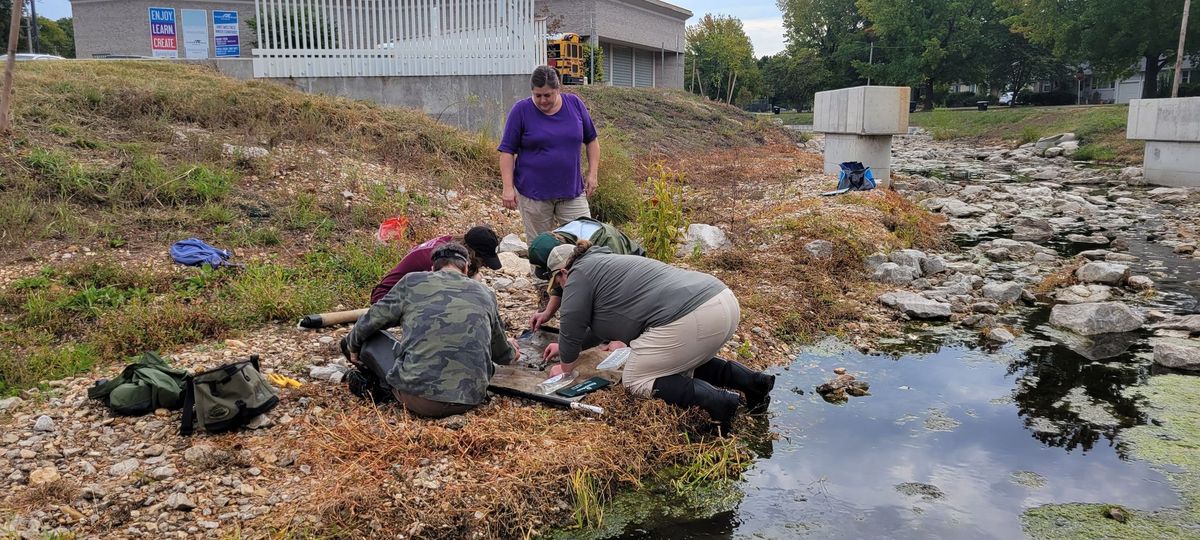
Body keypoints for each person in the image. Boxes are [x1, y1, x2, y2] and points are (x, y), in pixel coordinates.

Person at [540, 242, 775, 434]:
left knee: (636, 378)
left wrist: (565, 369)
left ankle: (721, 403)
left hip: (692, 315)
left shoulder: (578, 275)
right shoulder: (603, 263)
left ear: (562, 272)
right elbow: (594, 330)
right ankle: (753, 383)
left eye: (558, 284)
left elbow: (571, 321)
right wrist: (564, 346)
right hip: (721, 300)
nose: (561, 289)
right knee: (673, 358)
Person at [343, 243, 518, 418]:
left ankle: (381, 387)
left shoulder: (412, 282)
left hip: (417, 399)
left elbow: (370, 320)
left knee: (362, 338)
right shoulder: (486, 293)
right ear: (465, 268)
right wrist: (512, 350)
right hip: (470, 399)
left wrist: (352, 346)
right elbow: (502, 355)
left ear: (433, 268)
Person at [498, 65, 600, 241]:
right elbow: (507, 151)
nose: (543, 100)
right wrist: (508, 188)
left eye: (547, 95)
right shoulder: (521, 110)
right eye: (538, 95)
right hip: (534, 195)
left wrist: (593, 174)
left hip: (572, 192)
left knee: (585, 243)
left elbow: (592, 140)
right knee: (540, 248)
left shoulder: (574, 104)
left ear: (557, 89)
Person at [526, 217, 645, 330]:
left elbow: (618, 293)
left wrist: (618, 337)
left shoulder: (605, 244)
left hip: (636, 277)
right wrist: (547, 313)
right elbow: (561, 280)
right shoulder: (558, 239)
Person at [370, 225, 502, 304]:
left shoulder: (451, 243)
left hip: (410, 291)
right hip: (385, 299)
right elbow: (445, 294)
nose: (485, 265)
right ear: (473, 254)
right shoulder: (440, 259)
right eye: (483, 261)